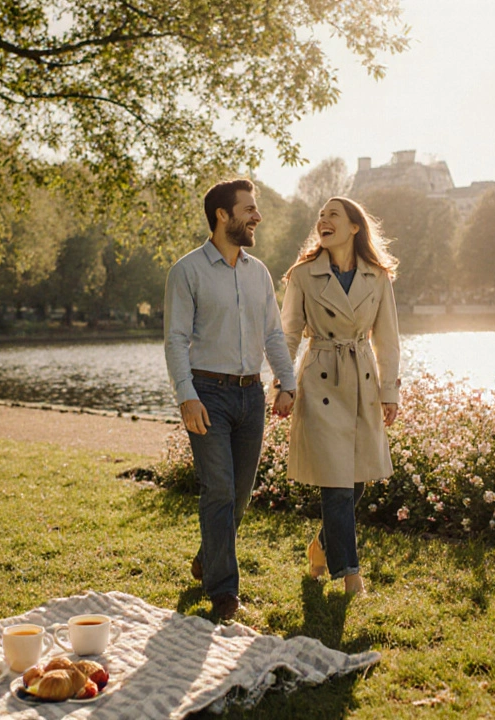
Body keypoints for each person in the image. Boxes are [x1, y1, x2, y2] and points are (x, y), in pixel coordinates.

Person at [163, 178, 297, 621]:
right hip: (208, 396)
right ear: (223, 215)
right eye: (249, 209)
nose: (257, 216)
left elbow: (273, 334)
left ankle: (208, 557)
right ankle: (224, 592)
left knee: (239, 495)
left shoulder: (258, 273)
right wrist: (186, 396)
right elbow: (176, 339)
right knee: (218, 489)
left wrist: (287, 381)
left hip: (250, 396)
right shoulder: (187, 271)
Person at [280, 197, 400, 596]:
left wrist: (389, 390)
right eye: (320, 216)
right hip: (321, 380)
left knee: (357, 482)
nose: (322, 220)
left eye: (333, 215)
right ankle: (350, 575)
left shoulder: (377, 276)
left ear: (353, 227)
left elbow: (388, 340)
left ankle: (320, 548)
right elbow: (288, 335)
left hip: (362, 378)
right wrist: (283, 384)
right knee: (336, 484)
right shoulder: (302, 275)